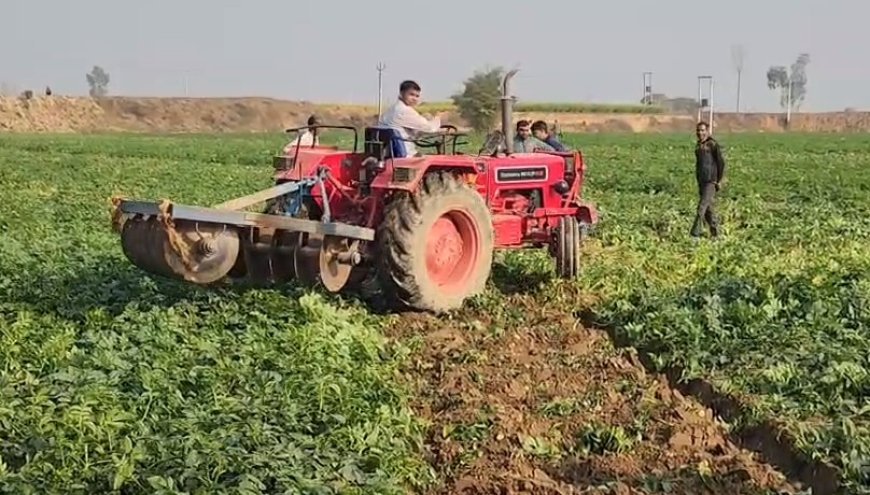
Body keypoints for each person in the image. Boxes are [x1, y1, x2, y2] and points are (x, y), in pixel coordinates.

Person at [378, 80, 442, 157]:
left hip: (389, 153)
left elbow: (415, 130)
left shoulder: (392, 109)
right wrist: (438, 118)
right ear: (401, 93)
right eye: (411, 94)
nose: (414, 99)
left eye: (417, 96)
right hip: (406, 155)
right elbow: (430, 128)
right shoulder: (404, 110)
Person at [691, 121, 726, 239]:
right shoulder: (698, 146)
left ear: (707, 131)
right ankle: (715, 233)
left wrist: (719, 180)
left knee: (701, 208)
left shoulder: (712, 144)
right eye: (698, 130)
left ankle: (694, 234)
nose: (700, 133)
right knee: (708, 209)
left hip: (711, 181)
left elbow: (721, 163)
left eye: (702, 130)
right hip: (702, 181)